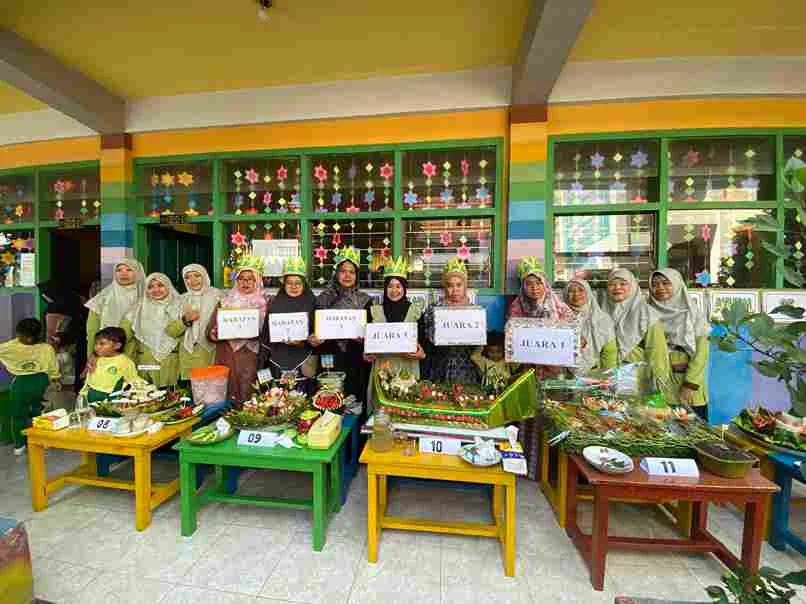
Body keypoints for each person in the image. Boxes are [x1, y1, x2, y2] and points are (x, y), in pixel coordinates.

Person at [507, 257, 574, 480]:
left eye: (537, 283)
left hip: (554, 377)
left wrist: (573, 344)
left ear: (545, 284)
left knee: (553, 418)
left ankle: (552, 474)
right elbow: (511, 341)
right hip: (527, 375)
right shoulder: (517, 308)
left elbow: (575, 339)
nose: (534, 288)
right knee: (526, 419)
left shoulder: (561, 308)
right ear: (523, 287)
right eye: (529, 284)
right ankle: (527, 468)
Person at [310, 247, 372, 403]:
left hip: (355, 358)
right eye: (343, 271)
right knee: (329, 400)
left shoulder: (364, 300)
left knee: (355, 400)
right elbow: (313, 332)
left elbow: (371, 333)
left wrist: (365, 340)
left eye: (352, 272)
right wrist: (313, 339)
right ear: (336, 274)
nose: (347, 275)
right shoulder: (323, 299)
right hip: (330, 358)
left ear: (357, 276)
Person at [363, 257, 426, 410]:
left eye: (398, 286)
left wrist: (422, 353)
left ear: (404, 288)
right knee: (381, 412)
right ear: (385, 288)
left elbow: (424, 342)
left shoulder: (415, 311)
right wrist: (365, 354)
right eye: (390, 286)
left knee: (406, 409)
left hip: (408, 367)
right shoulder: (373, 310)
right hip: (381, 368)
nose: (394, 290)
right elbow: (366, 340)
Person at [648, 268, 711, 417]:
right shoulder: (647, 311)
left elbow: (701, 353)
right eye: (655, 284)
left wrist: (690, 384)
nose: (660, 288)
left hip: (686, 383)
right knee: (661, 434)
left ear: (677, 284)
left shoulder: (692, 313)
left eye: (665, 283)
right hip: (658, 383)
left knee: (692, 431)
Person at [207, 254, 268, 403]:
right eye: (241, 278)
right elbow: (211, 331)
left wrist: (258, 334)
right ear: (236, 281)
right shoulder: (225, 302)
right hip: (230, 352)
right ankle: (232, 419)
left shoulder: (265, 303)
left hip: (255, 353)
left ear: (257, 281)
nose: (245, 282)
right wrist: (215, 333)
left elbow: (271, 332)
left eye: (250, 278)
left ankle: (251, 419)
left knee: (253, 389)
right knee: (231, 388)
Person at [602, 268, 672, 393]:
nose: (617, 287)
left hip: (635, 377)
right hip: (606, 376)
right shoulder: (602, 312)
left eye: (623, 284)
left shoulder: (647, 315)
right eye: (612, 284)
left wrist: (658, 387)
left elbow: (657, 354)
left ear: (633, 286)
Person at [0, 319, 60, 454]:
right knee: (38, 411)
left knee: (18, 414)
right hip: (41, 380)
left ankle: (19, 445)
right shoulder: (46, 348)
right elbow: (53, 368)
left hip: (21, 383)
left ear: (19, 334)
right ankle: (41, 441)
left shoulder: (10, 347)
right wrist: (55, 379)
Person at [258, 257, 318, 385]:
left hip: (305, 361)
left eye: (298, 283)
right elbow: (266, 337)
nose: (294, 286)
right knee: (279, 399)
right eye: (289, 283)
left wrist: (308, 341)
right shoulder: (275, 305)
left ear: (304, 284)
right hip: (278, 359)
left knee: (304, 399)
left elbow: (318, 334)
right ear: (283, 284)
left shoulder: (312, 304)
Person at [421, 258, 481, 385]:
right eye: (450, 285)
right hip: (439, 367)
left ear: (465, 286)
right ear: (445, 287)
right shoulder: (434, 309)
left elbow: (479, 343)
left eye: (459, 285)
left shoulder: (475, 311)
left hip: (466, 368)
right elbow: (428, 339)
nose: (455, 290)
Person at [121, 272, 181, 388]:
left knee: (172, 398)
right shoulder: (137, 309)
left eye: (160, 285)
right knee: (147, 397)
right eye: (150, 287)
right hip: (145, 362)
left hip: (172, 361)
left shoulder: (180, 306)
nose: (156, 289)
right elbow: (123, 335)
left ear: (168, 286)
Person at [168, 264, 222, 382]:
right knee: (191, 394)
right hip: (189, 354)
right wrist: (185, 320)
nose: (192, 281)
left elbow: (228, 323)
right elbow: (171, 331)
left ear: (204, 276)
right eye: (187, 277)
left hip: (213, 352)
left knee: (212, 391)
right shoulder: (180, 300)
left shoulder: (218, 296)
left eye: (197, 276)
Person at [84, 258, 145, 359]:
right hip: (107, 356)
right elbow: (92, 332)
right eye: (119, 270)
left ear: (138, 273)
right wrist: (92, 356)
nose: (123, 274)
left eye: (129, 270)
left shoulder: (148, 297)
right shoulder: (101, 299)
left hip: (141, 356)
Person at [40, 280, 88, 390]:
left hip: (64, 354)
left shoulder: (54, 308)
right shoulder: (77, 303)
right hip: (80, 349)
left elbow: (52, 335)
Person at [563, 278, 618, 374]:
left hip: (594, 375)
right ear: (566, 295)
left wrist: (608, 377)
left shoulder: (603, 320)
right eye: (571, 291)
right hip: (563, 376)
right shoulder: (559, 318)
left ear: (588, 293)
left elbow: (609, 353)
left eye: (580, 290)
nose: (576, 294)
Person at [79, 327, 140, 403]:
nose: (97, 347)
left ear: (117, 346)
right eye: (96, 343)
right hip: (91, 397)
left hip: (111, 400)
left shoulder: (125, 362)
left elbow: (133, 380)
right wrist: (83, 394)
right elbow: (89, 381)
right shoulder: (96, 359)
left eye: (102, 344)